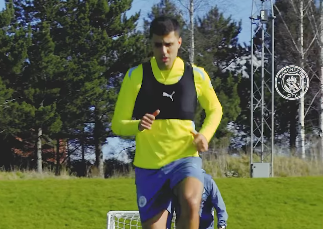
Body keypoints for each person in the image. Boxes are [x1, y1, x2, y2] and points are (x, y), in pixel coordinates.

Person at [111, 15, 223, 229]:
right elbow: (117, 124)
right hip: (149, 166)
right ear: (151, 44)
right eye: (158, 45)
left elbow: (215, 110)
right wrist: (137, 125)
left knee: (191, 202)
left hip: (185, 158)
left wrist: (204, 135)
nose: (164, 51)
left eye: (169, 44)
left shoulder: (196, 75)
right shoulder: (135, 76)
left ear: (178, 43)